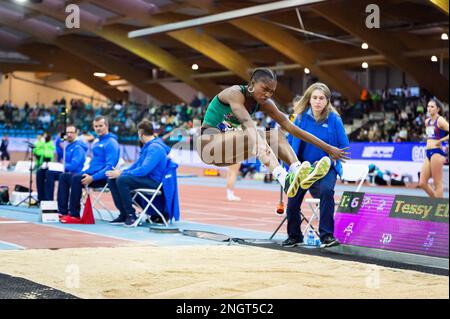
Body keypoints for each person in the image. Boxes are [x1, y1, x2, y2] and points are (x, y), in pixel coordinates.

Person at [196, 68, 349, 200]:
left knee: (276, 135)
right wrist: (260, 143)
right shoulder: (234, 93)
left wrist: (328, 148)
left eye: (271, 91)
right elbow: (246, 123)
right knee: (257, 134)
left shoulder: (265, 104)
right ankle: (284, 179)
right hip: (208, 146)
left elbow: (293, 129)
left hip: (226, 151)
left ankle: (297, 170)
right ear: (252, 84)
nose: (268, 94)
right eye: (265, 89)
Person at [283, 83, 350, 248]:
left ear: (327, 101)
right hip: (303, 168)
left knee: (327, 191)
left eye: (321, 98)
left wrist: (329, 159)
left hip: (326, 168)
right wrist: (291, 168)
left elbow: (344, 147)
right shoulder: (299, 118)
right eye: (314, 98)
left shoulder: (334, 119)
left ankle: (327, 236)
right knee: (293, 198)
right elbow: (290, 145)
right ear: (309, 99)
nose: (317, 101)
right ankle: (295, 236)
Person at [106, 120, 171, 226]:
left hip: (154, 182)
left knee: (122, 180)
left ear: (140, 133)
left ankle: (131, 215)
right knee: (112, 178)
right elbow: (135, 166)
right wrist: (120, 172)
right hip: (146, 179)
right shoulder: (148, 146)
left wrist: (122, 174)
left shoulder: (155, 148)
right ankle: (124, 214)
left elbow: (144, 170)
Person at [57, 116, 120, 218]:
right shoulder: (97, 143)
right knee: (64, 176)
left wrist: (92, 178)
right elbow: (93, 166)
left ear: (107, 126)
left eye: (100, 125)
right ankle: (62, 212)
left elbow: (109, 168)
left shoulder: (111, 143)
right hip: (91, 174)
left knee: (76, 179)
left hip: (103, 178)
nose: (98, 128)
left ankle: (74, 215)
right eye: (96, 126)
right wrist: (84, 173)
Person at [36, 125, 87, 202]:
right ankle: (41, 200)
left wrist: (62, 166)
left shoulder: (78, 147)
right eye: (67, 132)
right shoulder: (68, 146)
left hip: (73, 172)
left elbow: (73, 166)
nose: (69, 134)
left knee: (49, 173)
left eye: (72, 132)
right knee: (40, 171)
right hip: (65, 170)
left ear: (76, 133)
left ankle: (49, 201)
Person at [419, 99, 449, 198]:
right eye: (428, 106)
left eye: (432, 107)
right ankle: (436, 202)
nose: (429, 108)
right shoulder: (427, 121)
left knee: (437, 183)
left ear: (438, 109)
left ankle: (439, 209)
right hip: (428, 152)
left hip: (437, 152)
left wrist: (440, 141)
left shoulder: (440, 120)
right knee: (422, 183)